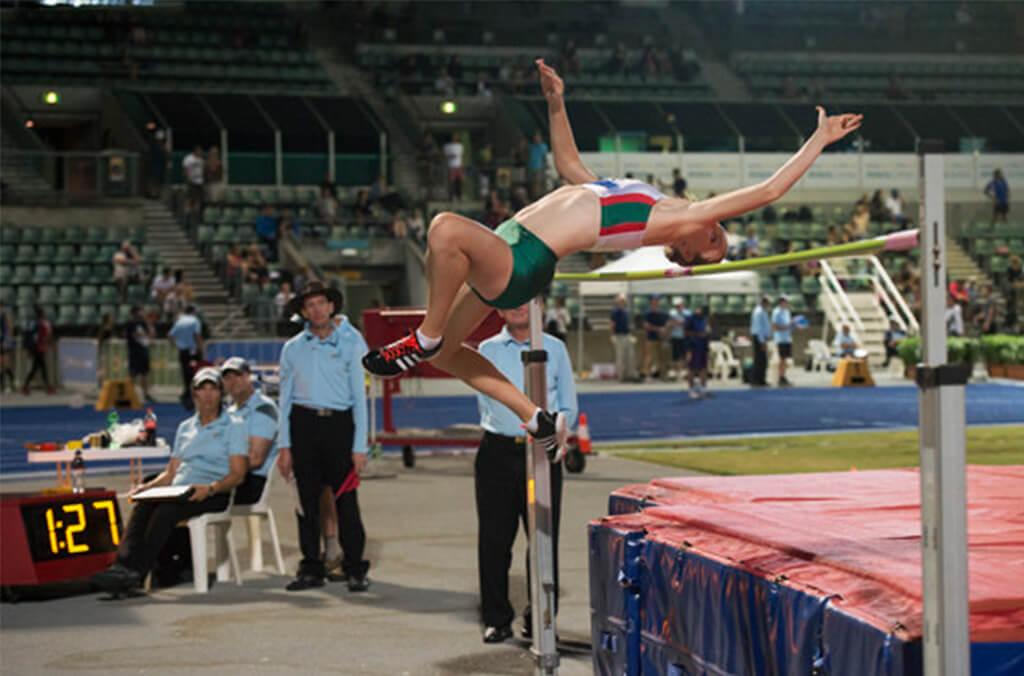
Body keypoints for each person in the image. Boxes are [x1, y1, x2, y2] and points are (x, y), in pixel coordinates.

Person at [362, 59, 861, 446]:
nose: (715, 228)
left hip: (524, 259)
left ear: (682, 245)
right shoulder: (643, 196)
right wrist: (557, 102)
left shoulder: (671, 221)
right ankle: (533, 416)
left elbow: (769, 192)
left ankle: (424, 335)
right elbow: (570, 166)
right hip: (512, 246)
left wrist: (818, 140)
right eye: (718, 233)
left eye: (712, 240)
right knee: (452, 352)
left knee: (445, 229)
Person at [91, 368, 248, 594]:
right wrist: (147, 488)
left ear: (220, 393)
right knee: (144, 504)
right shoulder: (186, 428)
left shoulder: (234, 426)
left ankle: (136, 574)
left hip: (214, 492)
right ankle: (121, 567)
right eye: (202, 390)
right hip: (179, 489)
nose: (208, 395)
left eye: (213, 389)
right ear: (194, 394)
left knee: (165, 512)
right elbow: (171, 472)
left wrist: (211, 488)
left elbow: (238, 474)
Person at [474, 302, 577, 643]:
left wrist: (556, 435)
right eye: (511, 302)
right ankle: (496, 618)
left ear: (541, 308)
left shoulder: (554, 348)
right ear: (499, 311)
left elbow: (567, 404)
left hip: (542, 454)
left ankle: (542, 619)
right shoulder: (487, 350)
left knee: (544, 539)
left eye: (527, 301)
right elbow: (487, 402)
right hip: (498, 453)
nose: (519, 307)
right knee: (494, 540)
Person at [276, 282, 370, 592]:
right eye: (310, 305)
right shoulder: (292, 349)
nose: (317, 309)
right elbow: (284, 400)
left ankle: (355, 567)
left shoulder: (352, 343)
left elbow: (360, 396)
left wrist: (360, 446)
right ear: (303, 312)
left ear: (332, 307)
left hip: (339, 426)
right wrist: (284, 445)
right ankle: (311, 567)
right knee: (307, 503)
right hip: (303, 425)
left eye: (322, 303)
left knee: (346, 501)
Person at [220, 358, 279, 505]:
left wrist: (215, 468)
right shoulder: (229, 413)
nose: (233, 381)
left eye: (238, 376)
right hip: (234, 476)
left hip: (256, 480)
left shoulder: (264, 408)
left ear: (248, 377)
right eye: (228, 378)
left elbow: (256, 459)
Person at [168, 305, 203, 409]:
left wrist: (177, 345)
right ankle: (193, 395)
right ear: (193, 312)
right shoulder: (195, 321)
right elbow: (197, 335)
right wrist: (201, 348)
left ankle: (187, 393)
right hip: (193, 351)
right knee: (195, 373)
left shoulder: (179, 321)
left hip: (183, 351)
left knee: (185, 373)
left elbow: (170, 335)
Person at [21, 305, 54, 395]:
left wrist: (28, 349)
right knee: (41, 368)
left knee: (36, 368)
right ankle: (47, 387)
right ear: (42, 314)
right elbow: (47, 336)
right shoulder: (44, 323)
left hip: (35, 348)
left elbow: (28, 336)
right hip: (39, 348)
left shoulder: (32, 323)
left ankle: (26, 386)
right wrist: (47, 345)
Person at [126, 305, 155, 403]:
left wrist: (149, 323)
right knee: (133, 374)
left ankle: (146, 394)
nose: (143, 313)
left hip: (143, 351)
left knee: (145, 373)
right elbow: (135, 335)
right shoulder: (130, 323)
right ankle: (129, 394)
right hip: (134, 352)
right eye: (141, 311)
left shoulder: (144, 323)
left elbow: (151, 334)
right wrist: (145, 337)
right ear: (135, 313)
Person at [684, 304, 711, 399]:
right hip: (693, 346)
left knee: (704, 368)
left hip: (703, 347)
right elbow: (686, 332)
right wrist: (699, 334)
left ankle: (703, 389)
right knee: (692, 369)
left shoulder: (705, 319)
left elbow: (707, 333)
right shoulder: (690, 319)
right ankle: (691, 390)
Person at [610, 294, 637, 382]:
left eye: (623, 301)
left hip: (627, 335)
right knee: (620, 356)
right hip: (619, 336)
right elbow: (612, 325)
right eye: (620, 301)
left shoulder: (626, 312)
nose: (622, 303)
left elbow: (628, 324)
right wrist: (613, 335)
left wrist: (631, 334)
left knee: (630, 355)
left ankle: (630, 374)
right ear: (617, 302)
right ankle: (621, 376)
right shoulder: (615, 312)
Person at [642, 296, 669, 380]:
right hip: (650, 338)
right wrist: (658, 329)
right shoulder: (647, 314)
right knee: (649, 357)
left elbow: (668, 324)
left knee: (662, 357)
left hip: (661, 338)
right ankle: (647, 375)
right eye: (653, 301)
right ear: (651, 303)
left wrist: (665, 330)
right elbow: (645, 326)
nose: (655, 303)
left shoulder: (663, 313)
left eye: (657, 301)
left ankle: (663, 375)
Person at [749, 296, 772, 387]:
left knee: (763, 360)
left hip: (763, 337)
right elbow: (759, 328)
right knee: (759, 360)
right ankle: (755, 380)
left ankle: (761, 379)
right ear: (764, 302)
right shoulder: (758, 312)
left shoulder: (763, 311)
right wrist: (762, 341)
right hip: (759, 337)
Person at [771, 296, 794, 387]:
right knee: (782, 359)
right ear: (781, 302)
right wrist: (786, 327)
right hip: (780, 339)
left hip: (787, 338)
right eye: (786, 302)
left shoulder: (787, 312)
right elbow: (774, 327)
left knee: (785, 359)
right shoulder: (776, 312)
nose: (787, 303)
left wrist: (792, 325)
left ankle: (783, 376)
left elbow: (788, 325)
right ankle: (780, 377)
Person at [667, 298, 690, 381]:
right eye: (676, 306)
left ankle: (685, 372)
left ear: (683, 305)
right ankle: (677, 373)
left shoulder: (688, 313)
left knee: (685, 355)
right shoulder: (672, 313)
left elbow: (687, 323)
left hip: (684, 337)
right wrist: (676, 323)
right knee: (675, 356)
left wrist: (678, 323)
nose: (678, 307)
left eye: (679, 305)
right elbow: (670, 324)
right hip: (675, 337)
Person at [182, 145, 205, 219]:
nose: (200, 152)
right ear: (195, 151)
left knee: (198, 198)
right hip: (191, 181)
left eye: (201, 151)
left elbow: (202, 170)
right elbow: (185, 169)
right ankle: (187, 214)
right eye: (199, 151)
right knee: (190, 198)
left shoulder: (201, 160)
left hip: (200, 182)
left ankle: (196, 214)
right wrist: (188, 179)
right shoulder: (189, 158)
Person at [527, 130, 549, 199]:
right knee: (533, 185)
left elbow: (544, 157)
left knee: (538, 184)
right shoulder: (531, 147)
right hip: (531, 168)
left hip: (539, 168)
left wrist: (545, 166)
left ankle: (539, 197)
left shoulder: (543, 146)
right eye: (535, 137)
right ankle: (534, 197)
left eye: (538, 137)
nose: (536, 138)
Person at [442, 133, 464, 201]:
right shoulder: (447, 146)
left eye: (456, 137)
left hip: (458, 166)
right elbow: (445, 155)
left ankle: (459, 196)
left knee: (459, 182)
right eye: (454, 137)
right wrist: (451, 155)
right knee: (452, 182)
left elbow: (460, 155)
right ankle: (451, 196)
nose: (455, 138)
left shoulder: (460, 146)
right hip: (451, 166)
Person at [0, 303, 15, 392]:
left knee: (6, 365)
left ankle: (11, 383)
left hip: (4, 342)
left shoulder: (5, 315)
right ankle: (2, 386)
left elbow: (9, 328)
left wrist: (9, 340)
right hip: (2, 341)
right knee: (1, 365)